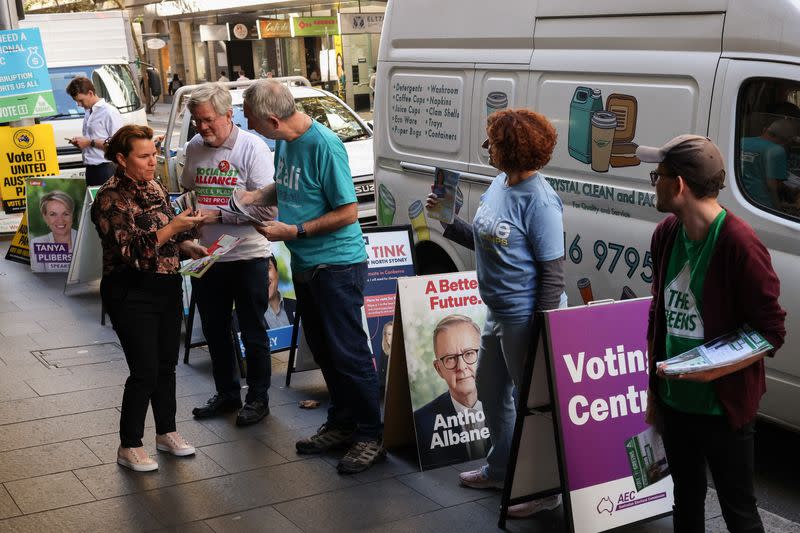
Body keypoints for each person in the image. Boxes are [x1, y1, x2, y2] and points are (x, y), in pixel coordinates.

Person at [638, 135, 786, 533]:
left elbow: (771, 330)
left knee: (739, 512)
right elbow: (660, 315)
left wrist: (714, 369)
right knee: (686, 501)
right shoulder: (666, 234)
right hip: (675, 404)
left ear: (680, 185)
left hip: (724, 410)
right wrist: (655, 391)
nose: (654, 182)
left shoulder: (740, 243)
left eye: (658, 175)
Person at [426, 108, 566, 518]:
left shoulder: (541, 202)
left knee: (533, 404)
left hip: (526, 318)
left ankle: (544, 488)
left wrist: (542, 332)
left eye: (492, 142)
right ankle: (502, 469)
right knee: (489, 392)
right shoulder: (499, 184)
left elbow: (553, 274)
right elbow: (488, 240)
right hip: (498, 313)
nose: (486, 148)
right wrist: (450, 222)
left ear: (511, 150)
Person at [239, 79, 384, 474]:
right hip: (307, 266)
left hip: (336, 265)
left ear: (272, 118)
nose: (249, 127)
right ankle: (342, 423)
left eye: (251, 120)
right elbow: (289, 186)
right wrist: (257, 197)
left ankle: (372, 435)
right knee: (325, 351)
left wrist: (295, 232)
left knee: (349, 353)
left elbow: (348, 212)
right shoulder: (285, 140)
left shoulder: (324, 145)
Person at [91, 125, 209, 472]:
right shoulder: (111, 197)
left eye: (154, 154)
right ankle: (128, 445)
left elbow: (166, 235)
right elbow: (133, 251)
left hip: (166, 285)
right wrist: (173, 230)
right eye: (144, 157)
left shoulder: (154, 185)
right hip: (130, 289)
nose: (153, 161)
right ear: (121, 159)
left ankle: (166, 432)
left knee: (166, 365)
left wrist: (188, 244)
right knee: (143, 370)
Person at [181, 83, 276, 427]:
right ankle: (227, 393)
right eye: (196, 121)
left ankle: (258, 398)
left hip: (248, 254)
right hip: (206, 254)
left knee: (252, 329)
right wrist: (189, 218)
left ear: (228, 114)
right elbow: (190, 191)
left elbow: (269, 211)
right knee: (214, 329)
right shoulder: (194, 147)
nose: (202, 128)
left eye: (208, 121)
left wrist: (220, 216)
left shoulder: (254, 149)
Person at [413, 315, 489, 468]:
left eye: (469, 354)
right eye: (450, 358)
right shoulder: (421, 424)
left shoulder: (516, 405)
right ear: (438, 369)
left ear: (484, 355)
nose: (461, 367)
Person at [66, 76, 123, 186]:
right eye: (76, 101)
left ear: (90, 93)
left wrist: (89, 142)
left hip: (106, 168)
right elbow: (93, 138)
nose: (78, 104)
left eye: (80, 100)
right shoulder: (88, 111)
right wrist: (81, 143)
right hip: (91, 168)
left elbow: (117, 145)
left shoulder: (109, 112)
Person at [740, 119, 794, 209]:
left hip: (741, 198)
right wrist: (777, 207)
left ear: (766, 130)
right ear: (785, 139)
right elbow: (772, 185)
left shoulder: (742, 141)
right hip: (762, 203)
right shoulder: (776, 150)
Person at [29, 191, 78, 272]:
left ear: (72, 215)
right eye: (53, 214)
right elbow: (39, 276)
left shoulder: (84, 240)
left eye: (65, 214)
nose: (60, 220)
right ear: (45, 218)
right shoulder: (37, 243)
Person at [266, 255, 296, 329]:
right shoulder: (238, 319)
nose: (264, 277)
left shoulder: (298, 307)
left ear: (277, 272)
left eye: (267, 268)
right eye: (257, 273)